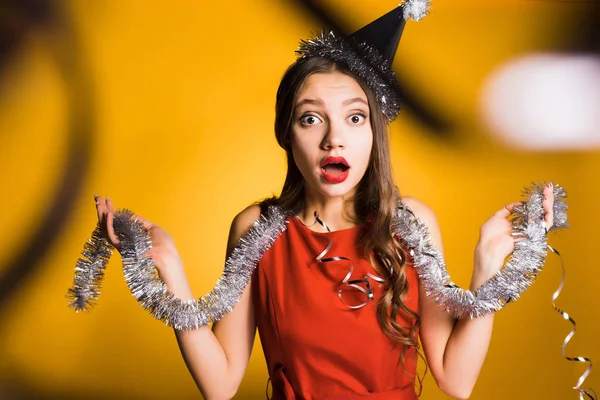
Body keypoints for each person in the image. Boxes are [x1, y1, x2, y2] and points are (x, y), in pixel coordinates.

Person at [92, 5, 556, 400]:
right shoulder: (258, 228)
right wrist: (168, 265)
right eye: (311, 118)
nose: (335, 140)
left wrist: (489, 267)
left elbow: (456, 380)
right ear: (286, 134)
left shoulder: (410, 223)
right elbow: (220, 384)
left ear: (375, 132)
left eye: (355, 117)